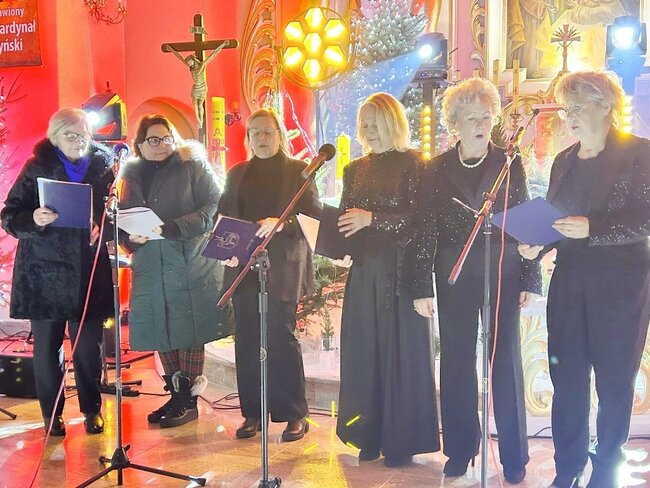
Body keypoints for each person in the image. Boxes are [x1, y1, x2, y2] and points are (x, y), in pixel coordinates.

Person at [405, 78, 542, 483]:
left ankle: (514, 455)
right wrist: (420, 286)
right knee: (456, 361)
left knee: (505, 361)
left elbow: (523, 217)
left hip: (502, 268)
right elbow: (424, 228)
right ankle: (461, 449)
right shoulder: (435, 168)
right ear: (455, 125)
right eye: (472, 118)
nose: (481, 124)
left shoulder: (509, 162)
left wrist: (530, 277)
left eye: (486, 116)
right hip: (455, 271)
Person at [518, 71, 650, 488]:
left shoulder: (640, 154)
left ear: (606, 106)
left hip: (621, 286)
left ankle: (607, 466)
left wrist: (594, 228)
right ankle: (568, 467)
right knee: (568, 381)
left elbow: (646, 219)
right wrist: (538, 244)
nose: (569, 117)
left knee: (614, 383)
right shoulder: (564, 160)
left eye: (578, 108)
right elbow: (558, 221)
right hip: (570, 284)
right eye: (566, 109)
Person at [335, 92, 440, 467]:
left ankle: (401, 441)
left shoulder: (416, 164)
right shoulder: (354, 169)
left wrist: (373, 219)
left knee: (401, 355)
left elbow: (422, 221)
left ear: (392, 123)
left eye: (375, 123)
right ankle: (367, 434)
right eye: (363, 124)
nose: (368, 130)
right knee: (365, 353)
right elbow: (346, 218)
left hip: (401, 272)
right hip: (365, 271)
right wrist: (337, 242)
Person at [1, 108, 114, 437]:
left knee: (88, 348)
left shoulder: (103, 168)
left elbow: (117, 212)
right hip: (43, 273)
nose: (78, 141)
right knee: (47, 349)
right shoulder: (36, 166)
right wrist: (33, 218)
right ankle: (52, 414)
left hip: (88, 272)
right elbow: (9, 215)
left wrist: (103, 227)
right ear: (55, 137)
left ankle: (92, 409)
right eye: (70, 135)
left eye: (83, 135)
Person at [217, 108, 321, 442]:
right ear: (248, 138)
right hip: (244, 267)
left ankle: (294, 413)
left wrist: (282, 224)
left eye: (267, 132)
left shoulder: (298, 172)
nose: (261, 138)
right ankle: (253, 413)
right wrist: (226, 248)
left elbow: (313, 217)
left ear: (280, 135)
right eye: (255, 133)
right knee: (247, 339)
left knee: (280, 337)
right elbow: (223, 216)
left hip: (283, 266)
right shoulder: (237, 174)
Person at [118, 114, 224, 428]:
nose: (162, 144)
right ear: (140, 145)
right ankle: (176, 395)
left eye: (167, 138)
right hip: (151, 262)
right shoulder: (132, 175)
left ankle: (188, 401)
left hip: (188, 260)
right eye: (154, 139)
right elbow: (124, 217)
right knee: (161, 327)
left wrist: (174, 227)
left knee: (188, 329)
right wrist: (129, 238)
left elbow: (215, 205)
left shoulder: (192, 165)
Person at [166, 45, 223, 129]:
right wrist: (171, 49)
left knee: (200, 105)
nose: (189, 65)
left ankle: (201, 121)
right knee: (195, 104)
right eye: (188, 64)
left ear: (193, 60)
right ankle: (199, 121)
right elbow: (180, 57)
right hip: (195, 88)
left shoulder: (201, 65)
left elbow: (213, 54)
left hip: (202, 87)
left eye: (190, 63)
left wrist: (223, 45)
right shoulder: (191, 66)